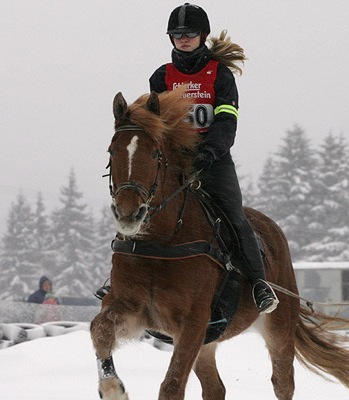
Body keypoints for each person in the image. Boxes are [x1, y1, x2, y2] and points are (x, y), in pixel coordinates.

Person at [97, 3, 278, 314]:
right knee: (142, 204)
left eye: (189, 34)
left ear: (202, 35)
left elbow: (226, 120)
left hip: (214, 159)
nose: (183, 39)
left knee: (234, 215)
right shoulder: (161, 76)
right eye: (177, 34)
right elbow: (154, 125)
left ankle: (260, 284)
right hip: (175, 160)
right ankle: (117, 278)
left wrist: (211, 150)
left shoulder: (220, 75)